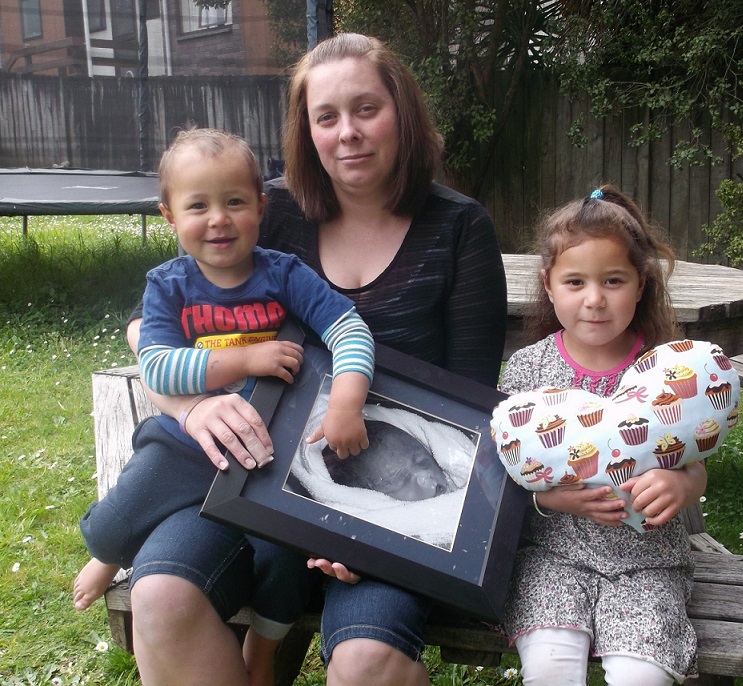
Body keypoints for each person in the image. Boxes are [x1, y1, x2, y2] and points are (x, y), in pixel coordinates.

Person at [120, 34, 507, 686]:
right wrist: (194, 408)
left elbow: (471, 409)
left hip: (391, 509)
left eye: (366, 109)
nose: (348, 133)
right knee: (160, 599)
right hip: (247, 479)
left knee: (366, 663)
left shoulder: (460, 228)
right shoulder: (263, 211)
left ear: (402, 115)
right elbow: (144, 330)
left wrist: (377, 532)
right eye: (326, 117)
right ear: (308, 131)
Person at [73, 127, 376, 684]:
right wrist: (245, 360)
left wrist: (347, 399)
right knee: (117, 518)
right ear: (169, 216)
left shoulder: (282, 274)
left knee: (282, 560)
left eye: (234, 201)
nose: (218, 218)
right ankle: (115, 549)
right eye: (198, 205)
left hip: (267, 454)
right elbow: (158, 366)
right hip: (185, 444)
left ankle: (263, 651)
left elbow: (348, 328)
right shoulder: (169, 285)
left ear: (260, 207)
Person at [499, 185, 704, 685]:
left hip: (648, 561)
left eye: (613, 280)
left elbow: (694, 462)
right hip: (554, 554)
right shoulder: (529, 370)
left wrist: (683, 485)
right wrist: (554, 500)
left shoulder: (666, 370)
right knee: (548, 667)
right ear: (549, 286)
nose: (594, 300)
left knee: (643, 677)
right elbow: (503, 472)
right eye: (575, 282)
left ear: (641, 285)